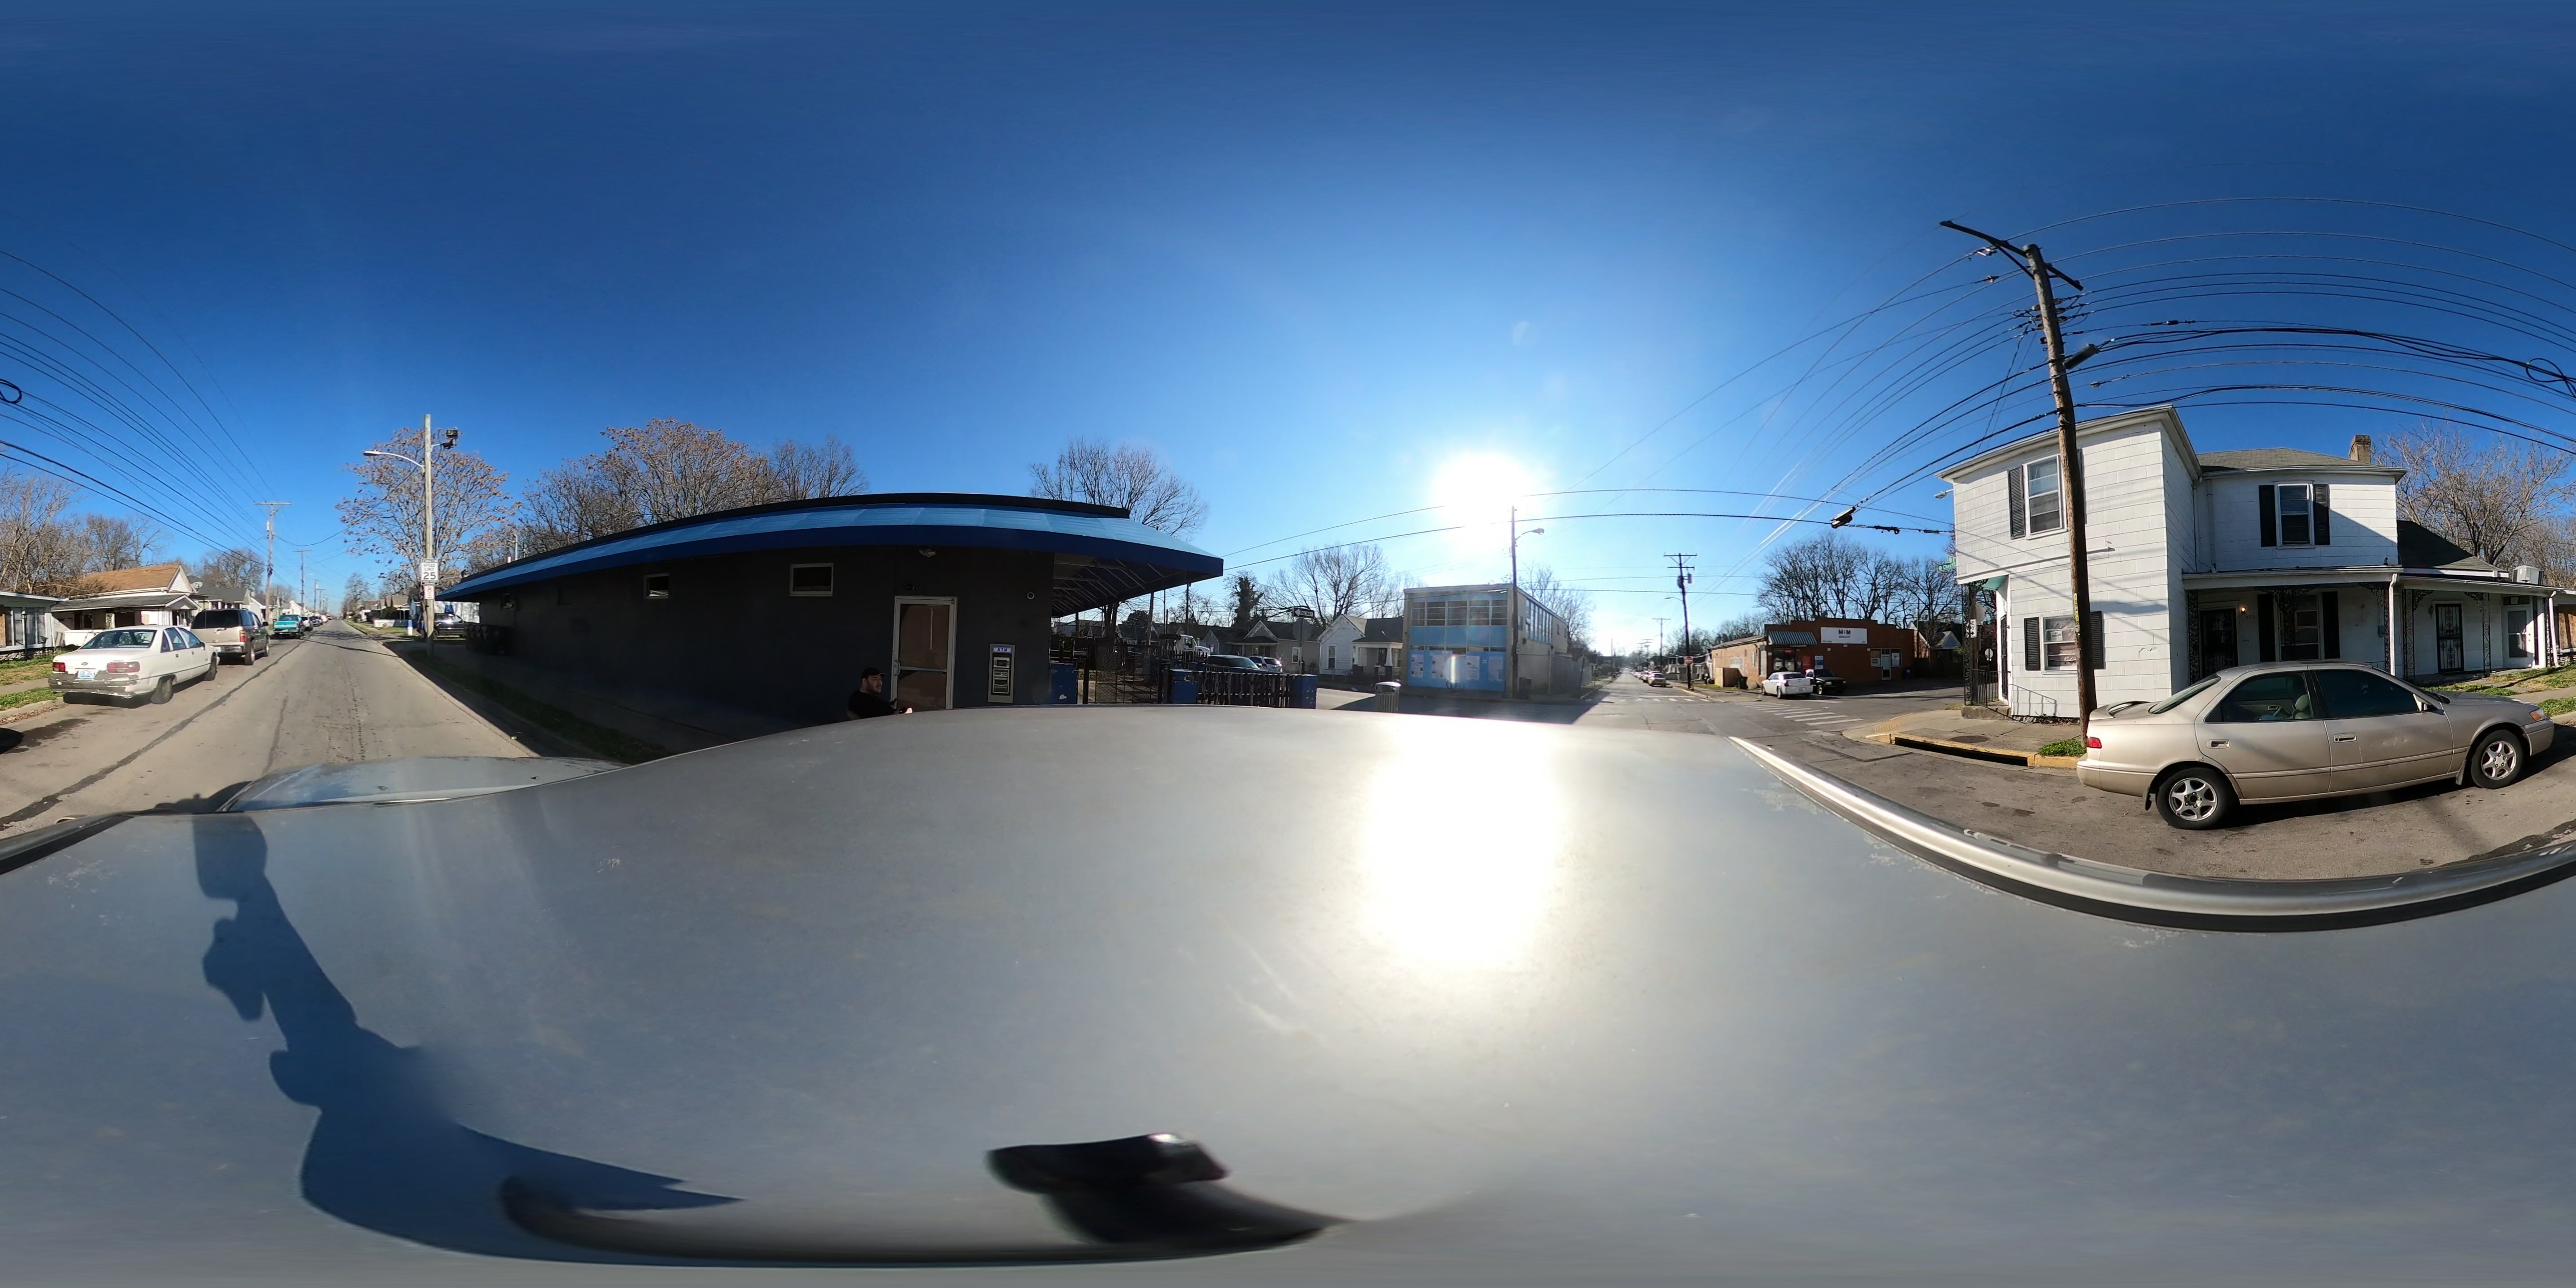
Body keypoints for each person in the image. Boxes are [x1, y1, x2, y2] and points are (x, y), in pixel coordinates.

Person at [845, 667, 911, 719]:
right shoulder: (861, 700)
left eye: (880, 679)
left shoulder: (859, 697)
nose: (879, 682)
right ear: (865, 681)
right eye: (875, 679)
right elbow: (891, 717)